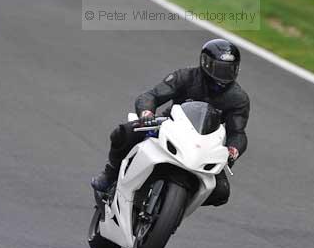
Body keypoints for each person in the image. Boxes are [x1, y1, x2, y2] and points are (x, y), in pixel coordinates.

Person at [91, 38, 250, 207]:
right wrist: (147, 112)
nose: (224, 76)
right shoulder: (185, 76)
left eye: (230, 70)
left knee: (221, 192)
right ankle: (110, 174)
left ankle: (176, 205)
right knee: (123, 133)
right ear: (206, 63)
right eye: (220, 69)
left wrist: (233, 150)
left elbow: (237, 133)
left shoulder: (238, 99)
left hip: (205, 141)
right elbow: (151, 95)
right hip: (170, 124)